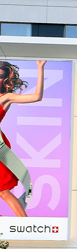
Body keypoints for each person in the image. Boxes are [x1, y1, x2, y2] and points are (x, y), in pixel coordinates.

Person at [0, 60, 46, 217]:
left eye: (0, 76)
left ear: (6, 79)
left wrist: (40, 68)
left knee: (2, 190)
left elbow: (37, 97)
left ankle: (25, 224)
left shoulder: (6, 97)